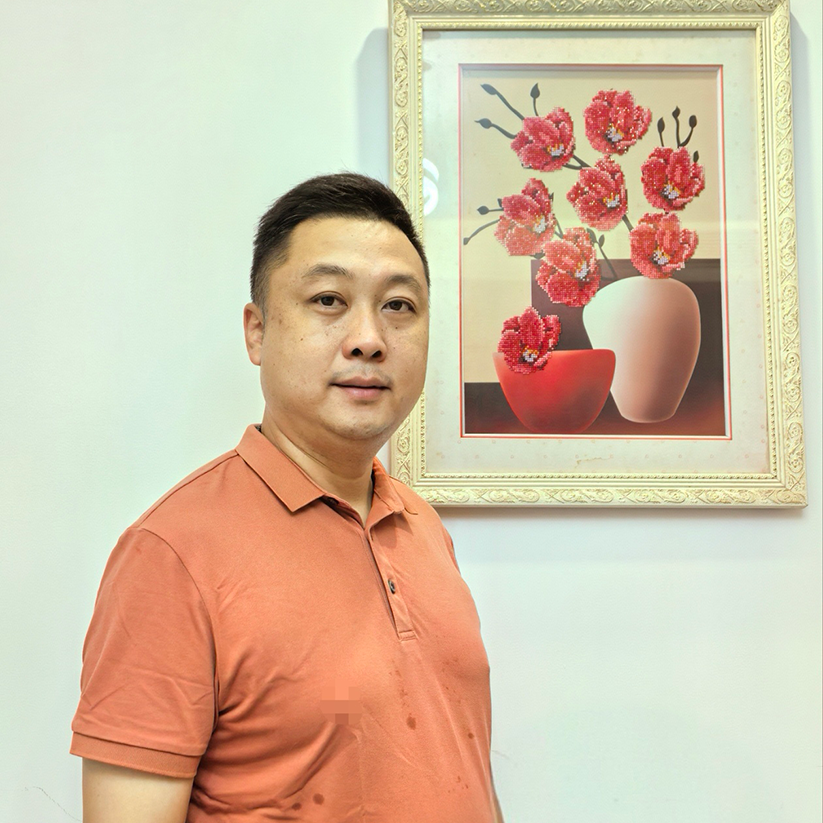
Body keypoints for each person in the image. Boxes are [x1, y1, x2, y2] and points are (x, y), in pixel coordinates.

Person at [72, 173, 504, 822]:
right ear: (257, 331)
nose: (369, 338)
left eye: (398, 305)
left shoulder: (422, 525)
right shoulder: (170, 555)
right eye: (328, 299)